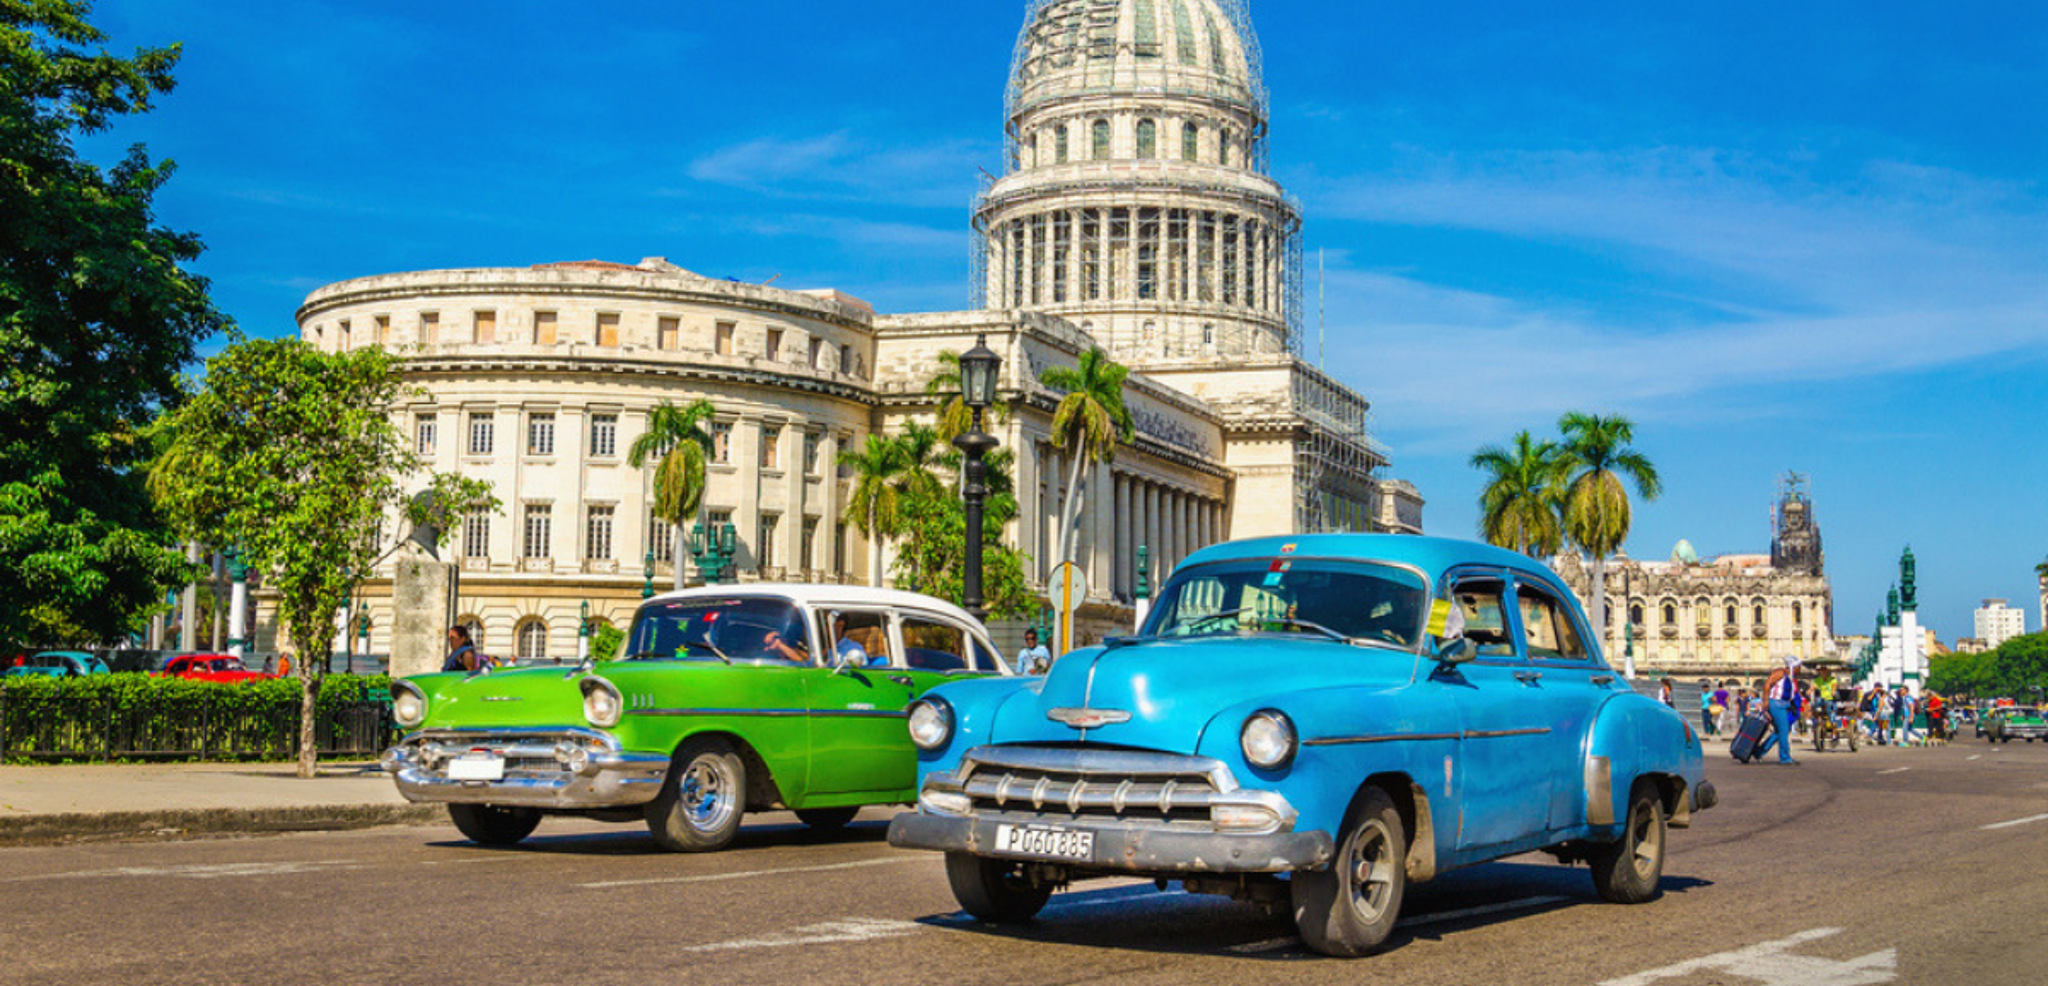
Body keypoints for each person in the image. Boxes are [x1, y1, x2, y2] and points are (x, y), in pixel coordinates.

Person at [1753, 656, 1801, 765]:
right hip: (1776, 703)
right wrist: (1765, 701)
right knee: (1784, 730)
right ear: (1793, 666)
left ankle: (1759, 752)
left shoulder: (1790, 676)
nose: (1800, 669)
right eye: (1799, 667)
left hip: (1784, 705)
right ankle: (1785, 758)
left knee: (1779, 731)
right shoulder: (1780, 672)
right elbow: (1767, 683)